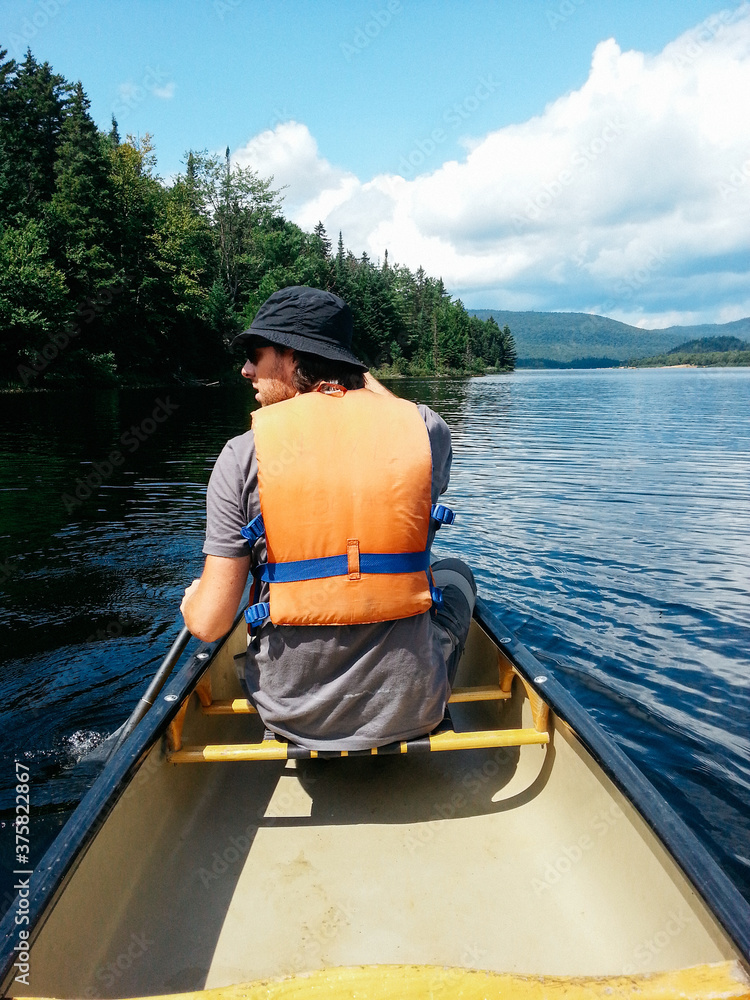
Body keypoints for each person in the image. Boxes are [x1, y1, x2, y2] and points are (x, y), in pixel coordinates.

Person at [180, 285, 476, 751]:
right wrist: (349, 369)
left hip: (290, 715)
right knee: (456, 574)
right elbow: (399, 417)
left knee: (217, 599)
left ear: (293, 357)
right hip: (412, 708)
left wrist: (192, 601)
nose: (245, 370)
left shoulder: (240, 456)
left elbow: (212, 624)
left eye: (256, 355)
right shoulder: (425, 432)